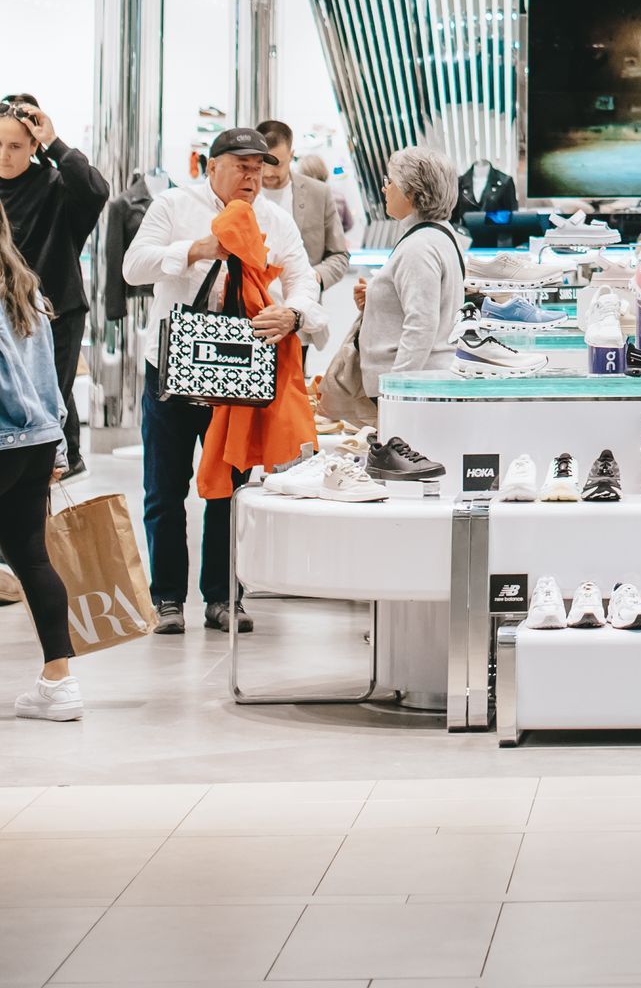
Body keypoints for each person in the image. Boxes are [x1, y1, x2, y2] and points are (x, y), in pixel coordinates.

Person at [122, 125, 318, 634]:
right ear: (212, 167)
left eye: (259, 169)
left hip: (237, 371)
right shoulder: (173, 205)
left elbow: (304, 280)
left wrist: (293, 313)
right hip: (172, 368)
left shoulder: (275, 220)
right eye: (242, 167)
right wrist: (194, 249)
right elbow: (133, 266)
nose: (253, 178)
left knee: (230, 489)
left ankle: (224, 597)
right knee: (164, 489)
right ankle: (167, 598)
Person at [0, 95, 108, 479]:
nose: (4, 154)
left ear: (33, 146)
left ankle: (47, 475)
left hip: (54, 312)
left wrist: (55, 142)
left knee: (47, 402)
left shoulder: (54, 186)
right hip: (4, 316)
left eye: (15, 146)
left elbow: (96, 190)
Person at [0, 205, 80, 722]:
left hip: (6, 434)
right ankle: (59, 683)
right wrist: (57, 445)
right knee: (31, 558)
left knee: (29, 557)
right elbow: (48, 375)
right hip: (36, 441)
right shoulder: (24, 286)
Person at [353, 148, 466, 389]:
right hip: (425, 380)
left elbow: (421, 325)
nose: (385, 188)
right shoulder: (438, 235)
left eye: (390, 182)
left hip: (414, 385)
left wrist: (397, 386)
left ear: (412, 192)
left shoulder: (419, 246)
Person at [258, 120, 353, 291]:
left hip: (302, 302)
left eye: (277, 164)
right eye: (263, 163)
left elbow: (339, 254)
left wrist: (314, 277)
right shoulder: (241, 192)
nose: (269, 172)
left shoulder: (319, 193)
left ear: (291, 155)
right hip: (250, 303)